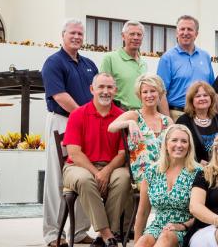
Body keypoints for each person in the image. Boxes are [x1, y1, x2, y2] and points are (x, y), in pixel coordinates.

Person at [41, 18, 97, 247]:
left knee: (84, 177)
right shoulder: (53, 62)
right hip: (62, 123)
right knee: (57, 179)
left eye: (80, 34)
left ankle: (80, 231)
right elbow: (60, 97)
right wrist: (84, 116)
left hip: (85, 125)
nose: (76, 37)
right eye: (72, 33)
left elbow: (97, 94)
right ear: (62, 35)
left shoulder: (89, 64)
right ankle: (54, 235)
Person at [62, 73, 131, 247]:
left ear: (115, 91)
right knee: (85, 179)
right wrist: (97, 173)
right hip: (78, 166)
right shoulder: (77, 114)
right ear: (92, 89)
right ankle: (108, 234)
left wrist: (106, 171)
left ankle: (103, 238)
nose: (105, 91)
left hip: (112, 167)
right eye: (101, 87)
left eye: (109, 87)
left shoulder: (122, 116)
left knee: (124, 178)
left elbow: (123, 154)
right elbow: (74, 153)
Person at [133, 125, 201, 247]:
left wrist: (182, 225)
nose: (179, 145)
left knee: (165, 238)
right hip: (157, 226)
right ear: (166, 144)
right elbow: (142, 212)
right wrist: (137, 241)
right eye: (174, 140)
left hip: (185, 227)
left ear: (189, 146)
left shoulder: (198, 172)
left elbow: (204, 212)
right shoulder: (151, 171)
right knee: (143, 242)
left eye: (184, 141)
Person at [108, 74, 173, 183]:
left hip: (165, 173)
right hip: (142, 175)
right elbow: (111, 127)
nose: (149, 95)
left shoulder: (167, 121)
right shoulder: (134, 115)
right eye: (145, 92)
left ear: (160, 93)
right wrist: (130, 123)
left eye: (153, 91)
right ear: (140, 95)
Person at [158, 15, 215, 121]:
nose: (185, 33)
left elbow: (211, 89)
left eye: (189, 29)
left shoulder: (205, 56)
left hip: (203, 115)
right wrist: (167, 120)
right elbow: (161, 93)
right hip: (177, 115)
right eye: (182, 29)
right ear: (176, 33)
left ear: (196, 34)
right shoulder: (167, 58)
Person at [100, 20, 148, 110]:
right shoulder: (110, 58)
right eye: (132, 34)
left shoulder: (143, 63)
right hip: (119, 115)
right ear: (123, 36)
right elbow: (102, 90)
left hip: (141, 116)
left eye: (139, 34)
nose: (136, 37)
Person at [176, 81, 218, 164]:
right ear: (191, 101)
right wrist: (197, 161)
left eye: (205, 95)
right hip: (194, 169)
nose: (202, 98)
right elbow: (179, 148)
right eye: (198, 96)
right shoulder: (183, 121)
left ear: (211, 98)